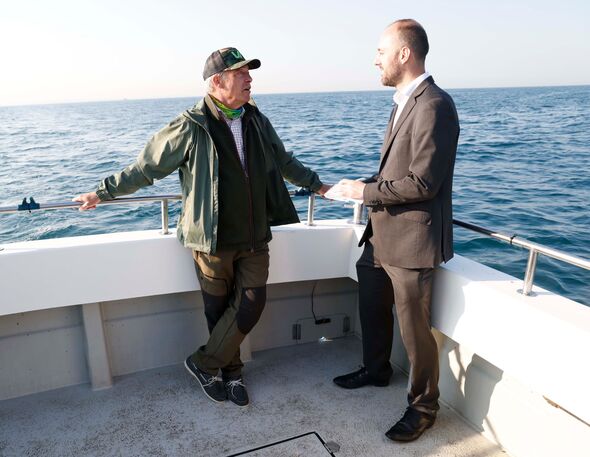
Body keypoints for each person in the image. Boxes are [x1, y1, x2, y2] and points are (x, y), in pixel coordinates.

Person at [74, 47, 329, 407]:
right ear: (217, 82)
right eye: (241, 74)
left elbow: (284, 160)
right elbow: (147, 168)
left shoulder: (256, 119)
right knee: (220, 311)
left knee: (250, 304)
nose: (249, 79)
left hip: (255, 237)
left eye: (248, 73)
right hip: (211, 240)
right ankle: (232, 374)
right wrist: (103, 191)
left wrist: (319, 185)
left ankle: (203, 362)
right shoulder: (190, 125)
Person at [329, 20, 459, 442]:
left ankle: (423, 407)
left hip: (412, 242)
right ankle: (376, 368)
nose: (375, 60)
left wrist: (365, 192)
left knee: (415, 331)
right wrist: (357, 186)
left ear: (405, 54)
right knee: (371, 303)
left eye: (381, 52)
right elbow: (394, 171)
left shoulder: (434, 105)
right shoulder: (403, 102)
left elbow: (424, 182)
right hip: (381, 237)